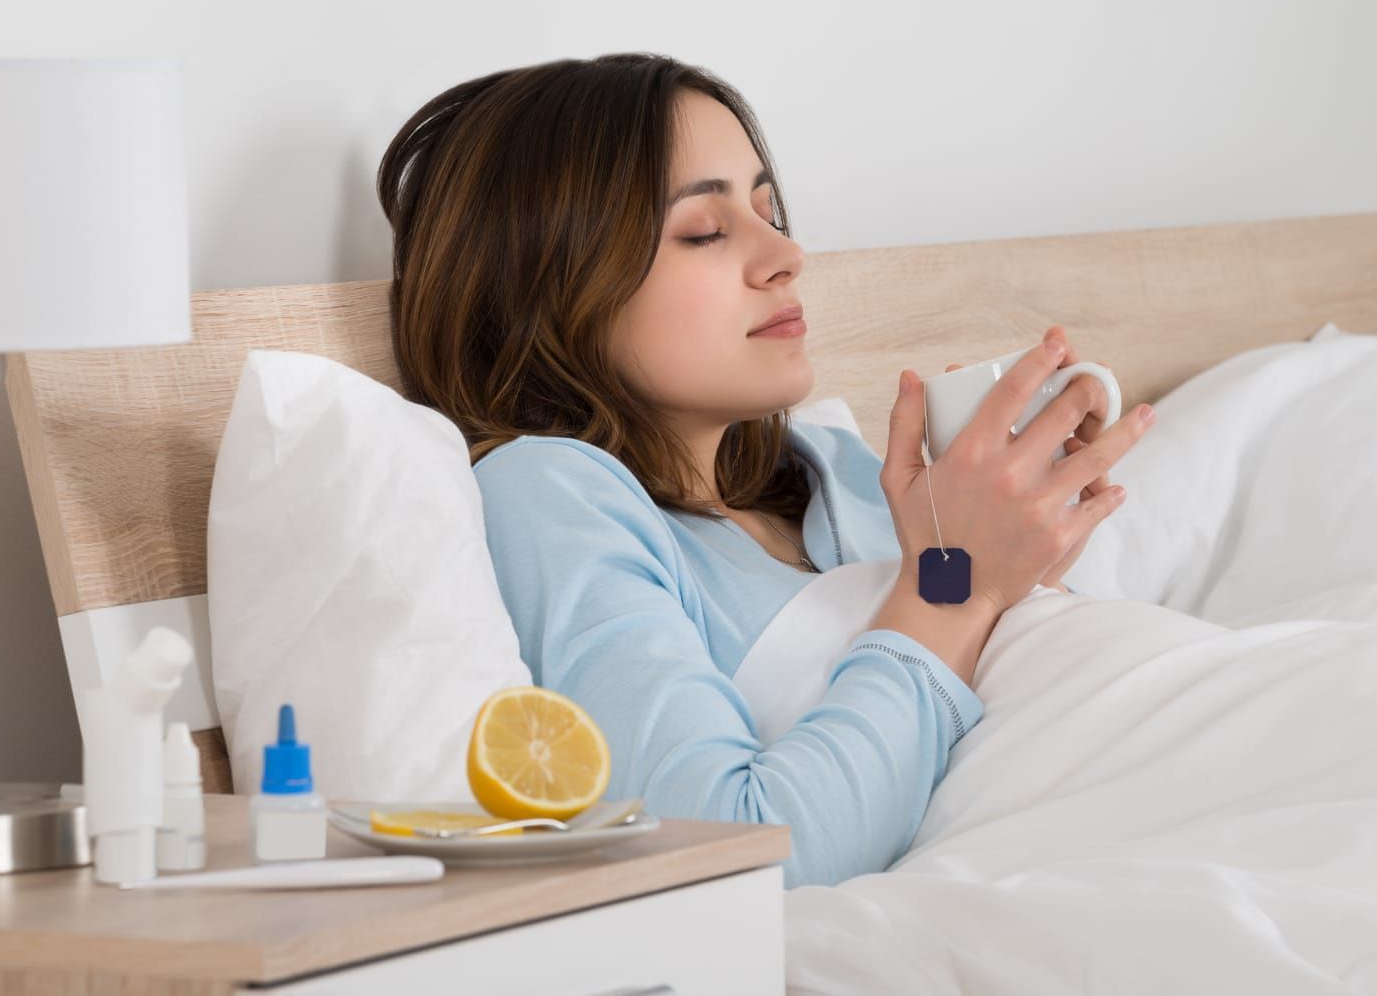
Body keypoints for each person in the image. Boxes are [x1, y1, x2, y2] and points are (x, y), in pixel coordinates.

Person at [375, 52, 1156, 888]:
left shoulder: (836, 469)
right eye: (705, 231)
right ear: (547, 287)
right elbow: (728, 845)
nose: (787, 253)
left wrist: (1023, 559)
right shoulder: (550, 495)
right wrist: (958, 582)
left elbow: (1022, 721)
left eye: (769, 210)